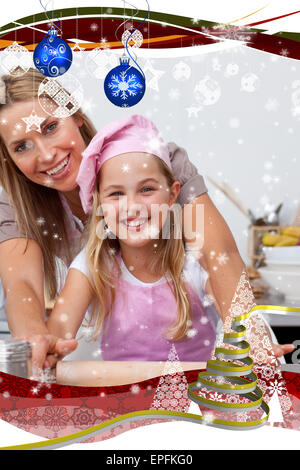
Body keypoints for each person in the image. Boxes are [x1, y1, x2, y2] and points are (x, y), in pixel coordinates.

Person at [0, 69, 293, 371]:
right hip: (104, 352)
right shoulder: (16, 205)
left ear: (74, 115)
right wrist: (36, 339)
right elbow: (22, 286)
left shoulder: (157, 158)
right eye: (21, 146)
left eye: (50, 127)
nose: (47, 155)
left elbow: (217, 254)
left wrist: (245, 329)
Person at [47, 115, 220, 361]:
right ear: (100, 203)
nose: (132, 207)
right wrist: (48, 353)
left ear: (172, 195)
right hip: (122, 398)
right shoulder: (92, 265)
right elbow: (54, 342)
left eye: (147, 189)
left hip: (194, 397)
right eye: (116, 193)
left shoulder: (194, 263)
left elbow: (239, 322)